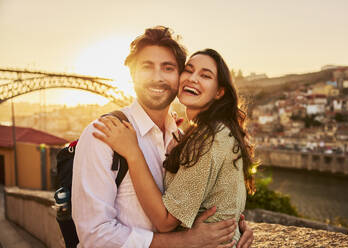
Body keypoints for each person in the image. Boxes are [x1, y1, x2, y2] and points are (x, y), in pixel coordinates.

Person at [72, 26, 253, 248]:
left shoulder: (181, 138)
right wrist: (185, 241)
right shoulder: (103, 135)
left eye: (168, 68)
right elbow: (95, 237)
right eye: (147, 67)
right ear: (132, 74)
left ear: (179, 76)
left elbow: (209, 199)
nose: (157, 78)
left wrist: (234, 229)